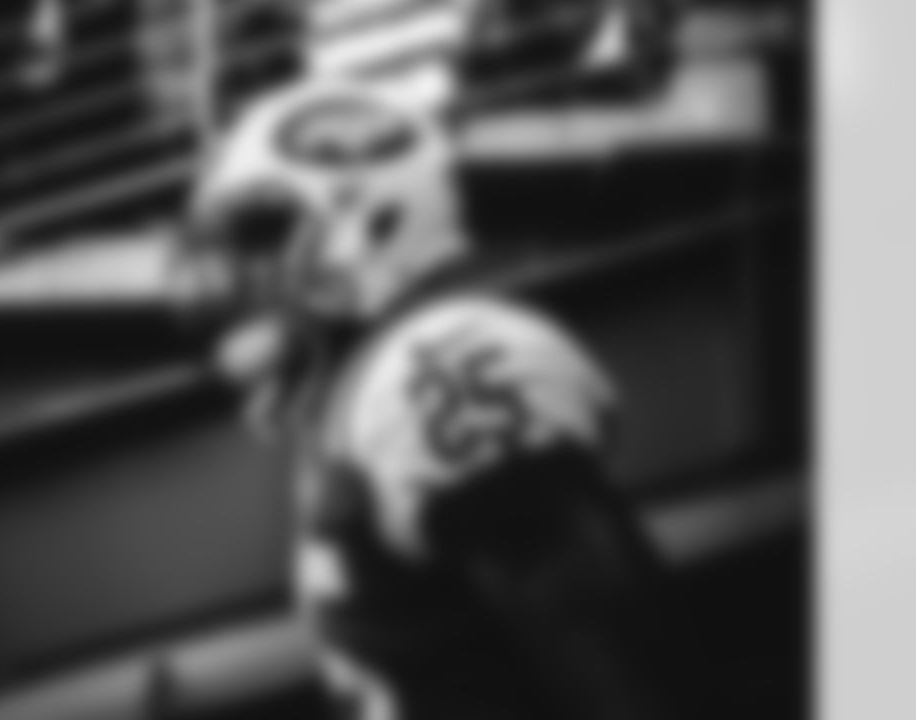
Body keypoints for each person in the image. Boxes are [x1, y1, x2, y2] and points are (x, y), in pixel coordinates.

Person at [171, 79, 689, 720]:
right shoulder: (365, 393)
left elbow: (618, 666)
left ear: (372, 218)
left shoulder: (434, 365)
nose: (242, 275)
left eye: (264, 234)